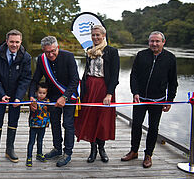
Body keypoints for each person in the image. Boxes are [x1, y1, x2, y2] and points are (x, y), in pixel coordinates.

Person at [121, 31, 178, 168]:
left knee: (153, 128)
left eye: (157, 41)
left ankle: (148, 155)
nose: (154, 44)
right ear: (148, 42)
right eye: (152, 41)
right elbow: (133, 75)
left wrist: (169, 100)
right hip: (140, 99)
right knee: (136, 125)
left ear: (163, 42)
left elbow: (173, 82)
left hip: (158, 100)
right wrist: (135, 92)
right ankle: (134, 151)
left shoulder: (170, 58)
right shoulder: (141, 55)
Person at [29, 36, 79, 167]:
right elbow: (35, 80)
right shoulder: (41, 59)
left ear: (58, 47)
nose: (50, 54)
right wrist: (31, 97)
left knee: (68, 124)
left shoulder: (69, 57)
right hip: (52, 97)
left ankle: (67, 153)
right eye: (47, 52)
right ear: (43, 50)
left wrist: (65, 97)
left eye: (53, 51)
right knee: (55, 123)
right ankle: (57, 148)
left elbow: (75, 80)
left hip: (69, 95)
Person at [74, 25, 120, 163]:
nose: (95, 37)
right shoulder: (89, 51)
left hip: (104, 88)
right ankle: (93, 149)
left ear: (104, 35)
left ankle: (102, 149)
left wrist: (109, 93)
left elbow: (115, 76)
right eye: (93, 35)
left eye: (98, 35)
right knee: (91, 118)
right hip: (89, 87)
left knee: (103, 120)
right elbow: (87, 70)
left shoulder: (111, 51)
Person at [0, 29, 32, 165]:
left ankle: (9, 149)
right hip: (0, 94)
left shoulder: (26, 57)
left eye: (17, 42)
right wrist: (1, 94)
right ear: (7, 41)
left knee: (13, 121)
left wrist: (18, 97)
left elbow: (25, 79)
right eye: (12, 42)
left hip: (16, 96)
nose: (14, 45)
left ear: (21, 42)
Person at [26, 82, 50, 167]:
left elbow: (49, 111)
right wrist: (33, 106)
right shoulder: (33, 101)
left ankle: (39, 154)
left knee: (40, 141)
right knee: (31, 142)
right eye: (40, 93)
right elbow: (33, 112)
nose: (41, 95)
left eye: (44, 93)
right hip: (34, 125)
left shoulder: (48, 102)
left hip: (43, 125)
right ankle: (29, 157)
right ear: (36, 92)